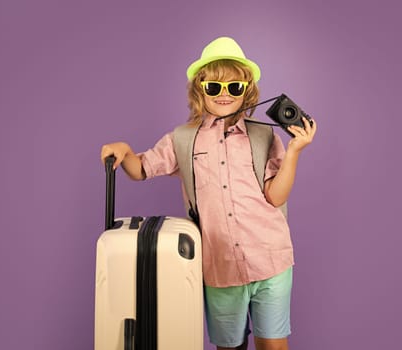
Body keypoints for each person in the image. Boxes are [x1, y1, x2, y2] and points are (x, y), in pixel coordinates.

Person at [101, 36, 317, 350]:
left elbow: (276, 196)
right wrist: (125, 151)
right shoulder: (183, 139)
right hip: (220, 267)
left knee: (273, 346)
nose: (225, 94)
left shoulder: (263, 135)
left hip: (271, 261)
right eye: (214, 87)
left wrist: (295, 150)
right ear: (200, 90)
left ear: (248, 91)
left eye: (235, 87)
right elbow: (141, 169)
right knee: (229, 348)